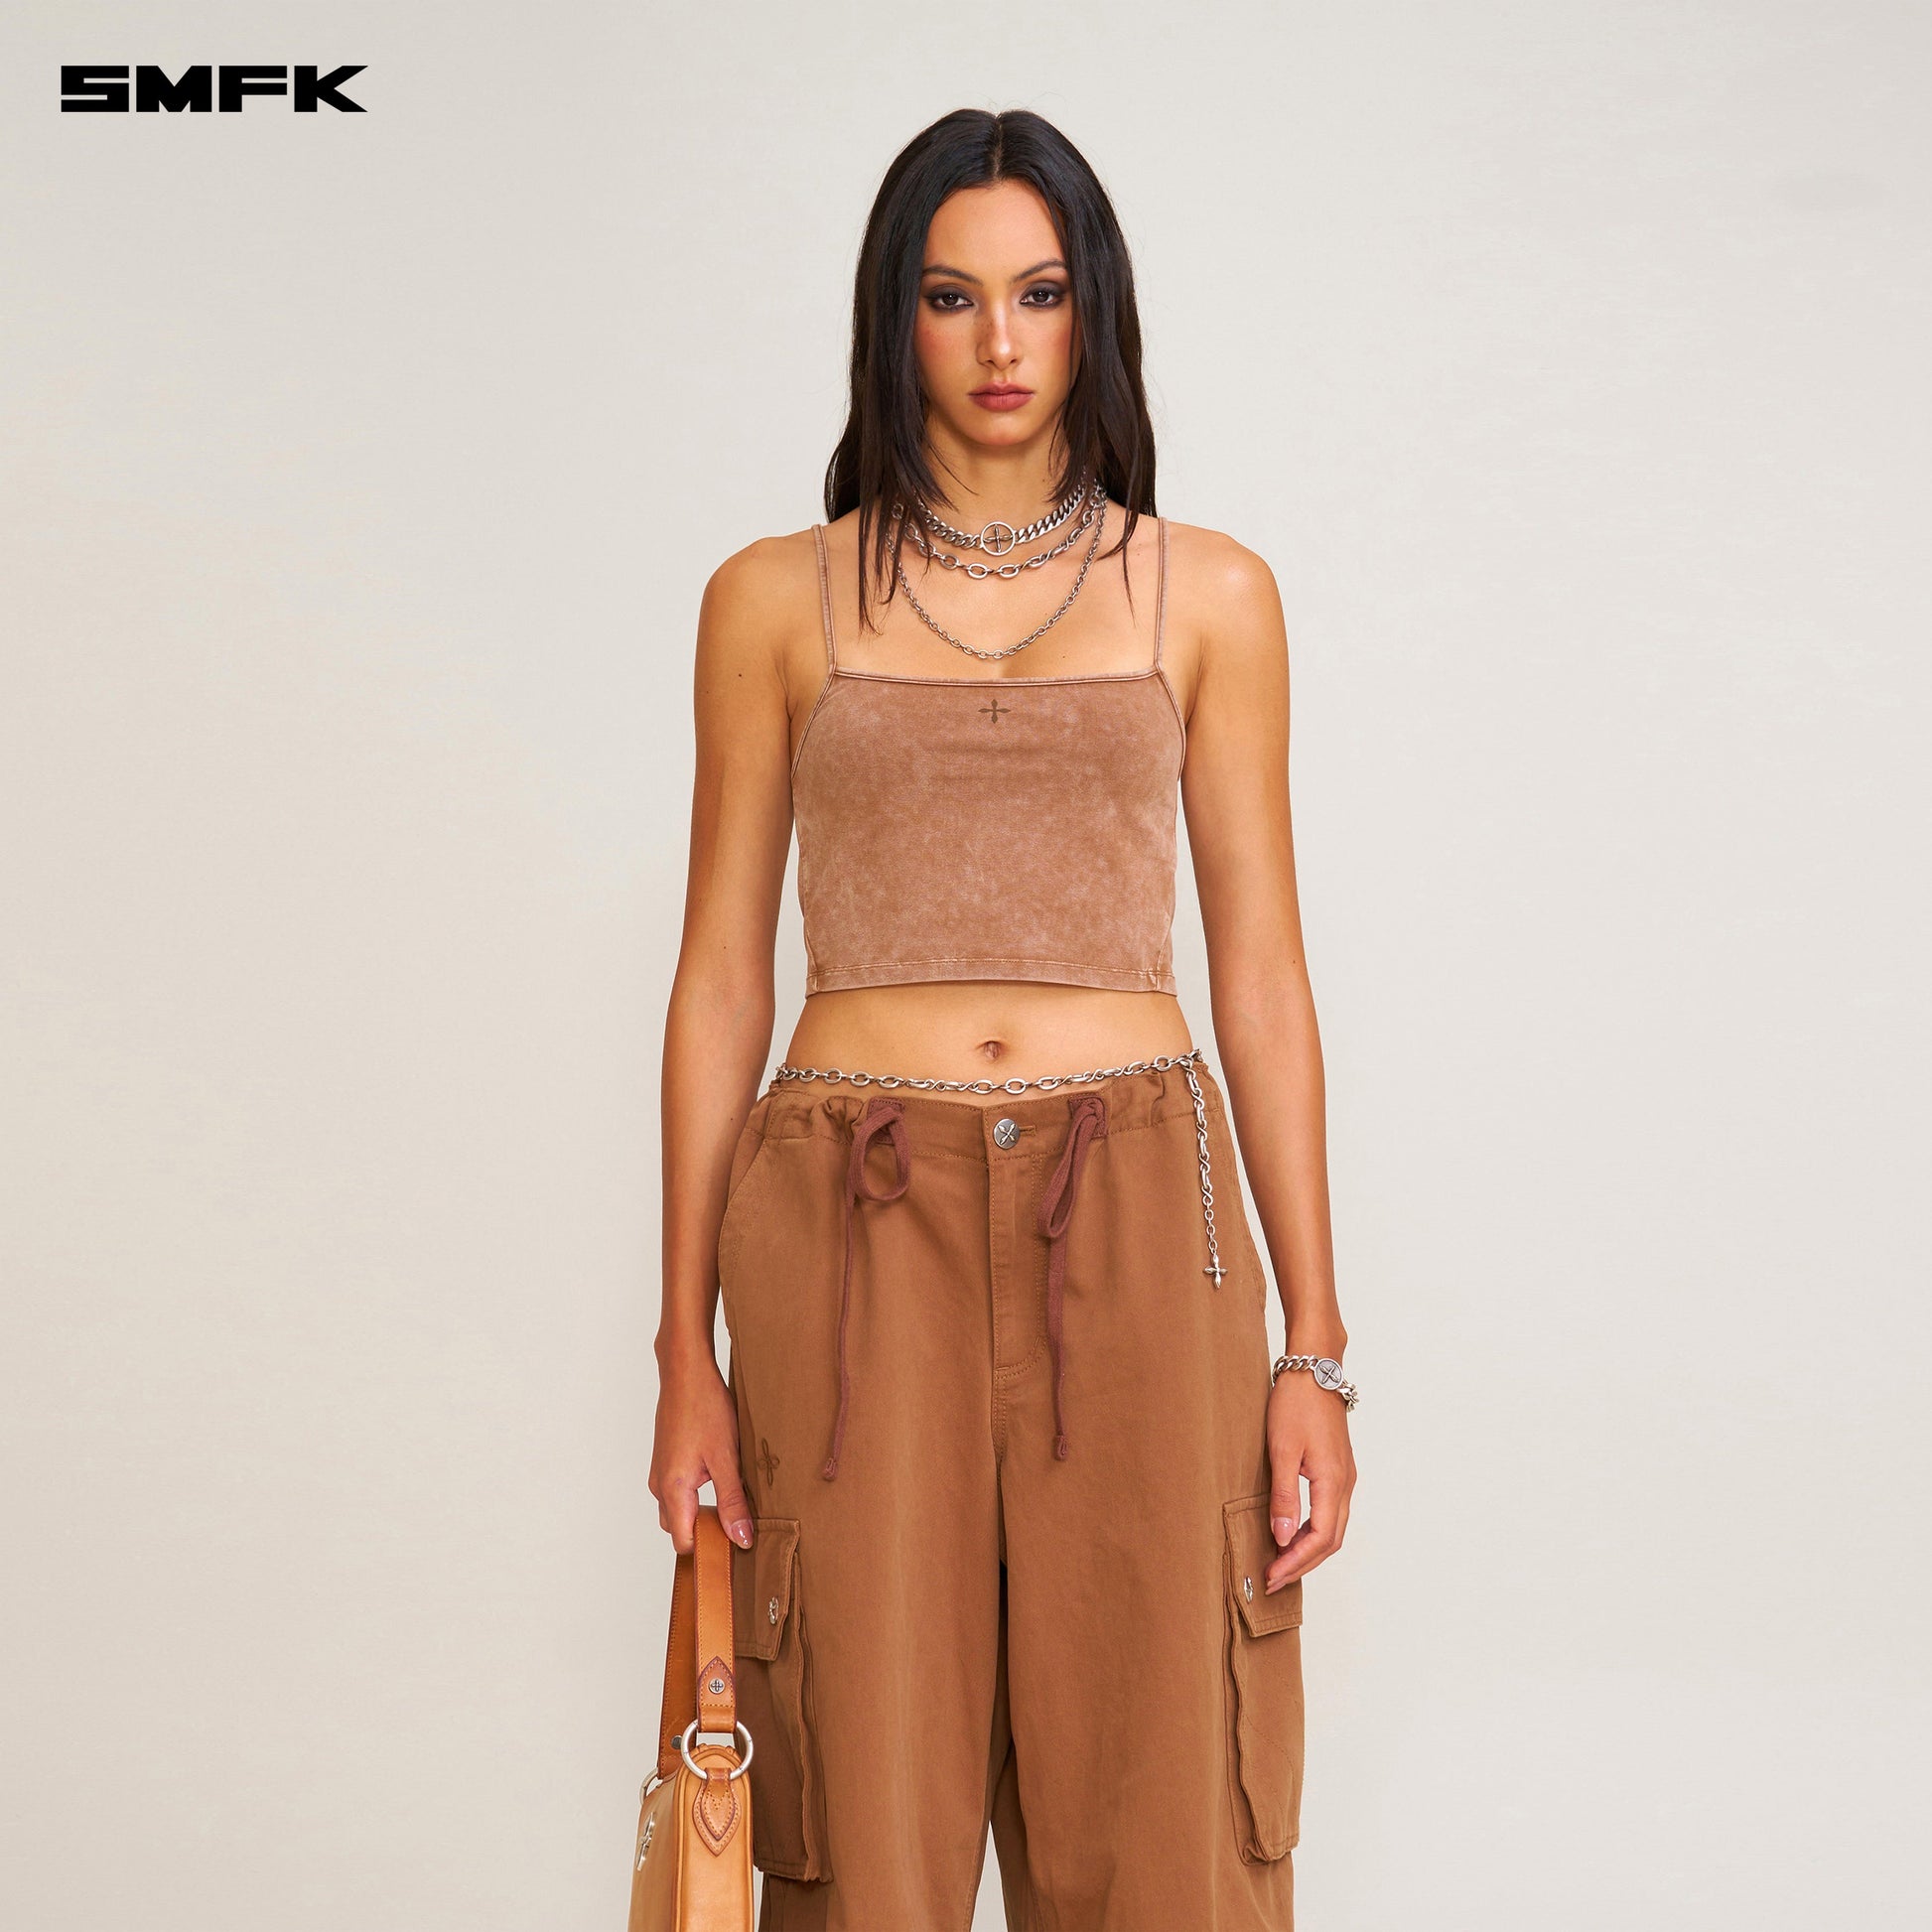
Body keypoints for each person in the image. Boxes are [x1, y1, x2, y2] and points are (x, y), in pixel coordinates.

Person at [649, 106, 1356, 1932]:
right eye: (951, 296)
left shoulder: (1207, 592)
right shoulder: (770, 599)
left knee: (1163, 1806)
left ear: (1091, 313)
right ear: (893, 316)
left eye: (1038, 294)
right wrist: (681, 1348)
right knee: (855, 1814)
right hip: (847, 1222)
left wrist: (1314, 1343)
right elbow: (720, 973)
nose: (998, 343)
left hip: (1137, 1220)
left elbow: (1261, 970)